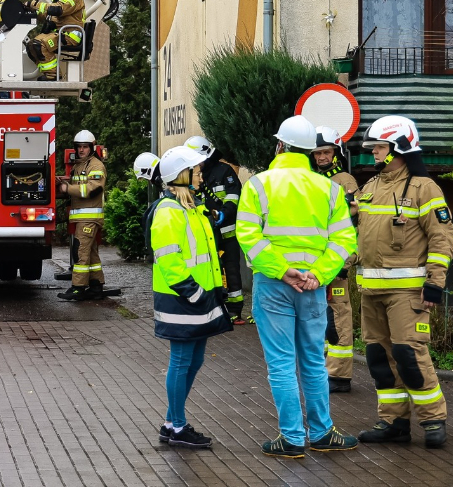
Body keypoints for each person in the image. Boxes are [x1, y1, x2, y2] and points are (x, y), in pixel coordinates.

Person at [236, 115, 360, 458]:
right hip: (314, 286)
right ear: (310, 151)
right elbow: (345, 240)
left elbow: (248, 236)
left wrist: (281, 270)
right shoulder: (330, 189)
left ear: (280, 145)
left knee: (280, 362)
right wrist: (318, 274)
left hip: (274, 283)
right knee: (313, 361)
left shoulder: (258, 185)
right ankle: (321, 433)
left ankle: (291, 438)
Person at [355, 115, 453, 449]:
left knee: (409, 354)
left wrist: (435, 283)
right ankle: (393, 423)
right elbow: (358, 239)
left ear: (398, 148)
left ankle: (433, 420)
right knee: (379, 359)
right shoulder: (369, 188)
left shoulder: (424, 188)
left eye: (380, 147)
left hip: (407, 292)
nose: (374, 154)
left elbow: (442, 237)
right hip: (371, 292)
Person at [150, 145, 233, 449]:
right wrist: (194, 292)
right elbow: (169, 261)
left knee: (194, 360)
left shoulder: (192, 208)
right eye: (194, 171)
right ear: (180, 176)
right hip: (183, 298)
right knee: (182, 360)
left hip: (199, 297)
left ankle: (172, 423)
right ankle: (177, 427)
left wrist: (214, 290)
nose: (199, 174)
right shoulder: (168, 212)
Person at [312, 127, 360, 393]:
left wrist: (346, 261)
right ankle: (320, 371)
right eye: (317, 152)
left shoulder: (344, 180)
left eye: (326, 152)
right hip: (315, 264)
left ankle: (340, 375)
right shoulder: (308, 178)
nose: (321, 157)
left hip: (337, 264)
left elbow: (352, 225)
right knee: (317, 317)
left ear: (336, 153)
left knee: (339, 315)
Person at [187, 136, 247, 323]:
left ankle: (235, 310)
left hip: (227, 230)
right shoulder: (193, 174)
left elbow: (234, 196)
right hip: (206, 233)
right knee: (211, 270)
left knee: (231, 270)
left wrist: (224, 213)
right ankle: (214, 306)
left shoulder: (224, 171)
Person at [58, 130, 107, 301]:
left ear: (92, 147)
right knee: (91, 255)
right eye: (79, 147)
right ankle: (96, 287)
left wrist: (68, 188)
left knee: (80, 252)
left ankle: (78, 288)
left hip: (89, 218)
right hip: (83, 218)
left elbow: (93, 188)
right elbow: (76, 185)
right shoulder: (79, 166)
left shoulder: (96, 166)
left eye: (85, 147)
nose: (81, 150)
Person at [24, 0, 86, 81]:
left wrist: (34, 4)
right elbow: (49, 14)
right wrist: (33, 12)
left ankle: (54, 75)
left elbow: (57, 9)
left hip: (70, 36)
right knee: (31, 45)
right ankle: (48, 72)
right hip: (61, 34)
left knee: (39, 44)